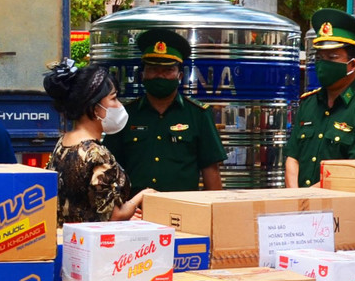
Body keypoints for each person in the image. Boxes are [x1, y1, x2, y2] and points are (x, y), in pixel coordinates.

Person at [105, 28, 227, 193]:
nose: (160, 76)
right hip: (135, 213)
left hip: (184, 211)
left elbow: (210, 171)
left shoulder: (199, 115)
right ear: (143, 75)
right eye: (153, 69)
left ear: (180, 76)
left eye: (168, 70)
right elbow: (109, 169)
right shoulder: (125, 114)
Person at [284, 9, 355, 186]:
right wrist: (296, 198)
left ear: (352, 65)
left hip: (341, 208)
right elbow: (292, 159)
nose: (323, 64)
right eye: (319, 57)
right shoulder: (309, 103)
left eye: (332, 57)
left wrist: (308, 199)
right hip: (300, 206)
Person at [43, 61, 149, 224]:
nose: (119, 105)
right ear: (95, 108)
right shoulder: (96, 154)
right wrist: (142, 196)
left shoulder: (63, 142)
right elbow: (113, 216)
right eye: (113, 98)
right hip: (93, 245)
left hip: (66, 240)